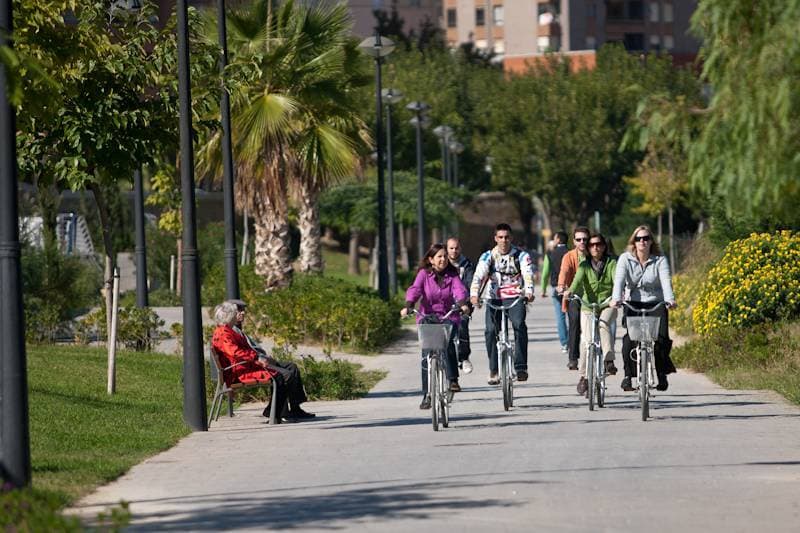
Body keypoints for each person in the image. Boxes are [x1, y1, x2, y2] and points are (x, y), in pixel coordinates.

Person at [211, 300, 315, 423]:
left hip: (246, 365)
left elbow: (243, 351)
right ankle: (275, 414)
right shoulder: (223, 333)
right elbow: (235, 352)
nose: (237, 315)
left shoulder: (228, 330)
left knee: (291, 367)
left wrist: (260, 357)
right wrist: (257, 358)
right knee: (284, 375)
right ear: (229, 316)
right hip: (241, 370)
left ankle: (292, 409)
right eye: (235, 313)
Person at [401, 243, 471, 409]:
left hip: (448, 316)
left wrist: (462, 304)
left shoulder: (452, 275)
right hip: (428, 317)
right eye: (439, 256)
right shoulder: (423, 274)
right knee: (426, 355)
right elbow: (415, 289)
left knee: (447, 346)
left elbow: (459, 290)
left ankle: (453, 379)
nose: (443, 259)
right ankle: (427, 394)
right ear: (431, 259)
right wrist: (409, 305)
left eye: (445, 256)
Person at [611, 225, 677, 392]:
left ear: (651, 241)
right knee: (630, 340)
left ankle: (661, 373)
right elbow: (619, 280)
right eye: (639, 239)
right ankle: (628, 376)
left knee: (662, 338)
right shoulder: (625, 259)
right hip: (633, 302)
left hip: (656, 302)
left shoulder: (659, 260)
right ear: (633, 242)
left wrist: (669, 300)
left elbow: (665, 281)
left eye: (646, 238)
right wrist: (616, 298)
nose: (642, 242)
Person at [470, 223, 535, 385]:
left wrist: (529, 292)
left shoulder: (521, 256)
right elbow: (478, 276)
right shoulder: (488, 256)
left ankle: (521, 367)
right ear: (495, 238)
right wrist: (474, 295)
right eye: (500, 237)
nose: (504, 240)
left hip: (516, 297)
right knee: (490, 331)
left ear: (511, 238)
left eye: (506, 237)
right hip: (494, 298)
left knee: (519, 325)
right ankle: (493, 369)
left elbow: (528, 274)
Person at [563, 233, 618, 396]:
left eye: (599, 244)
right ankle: (584, 377)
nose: (596, 247)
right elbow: (576, 282)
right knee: (587, 341)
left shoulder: (611, 263)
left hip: (608, 304)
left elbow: (617, 280)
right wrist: (569, 292)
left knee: (603, 324)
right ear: (588, 248)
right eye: (592, 245)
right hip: (588, 306)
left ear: (604, 246)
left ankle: (608, 360)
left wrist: (617, 296)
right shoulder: (584, 266)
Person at [558, 227, 590, 370]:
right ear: (574, 241)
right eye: (579, 239)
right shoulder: (569, 256)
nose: (582, 242)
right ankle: (573, 357)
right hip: (575, 295)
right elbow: (564, 272)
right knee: (575, 320)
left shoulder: (595, 253)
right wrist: (561, 286)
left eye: (585, 239)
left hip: (594, 297)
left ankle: (605, 356)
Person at [446, 237, 475, 374]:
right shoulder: (441, 263)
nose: (454, 251)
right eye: (451, 248)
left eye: (456, 248)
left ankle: (464, 358)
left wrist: (469, 299)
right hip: (444, 304)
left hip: (463, 303)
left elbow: (470, 283)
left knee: (462, 324)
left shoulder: (467, 264)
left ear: (460, 248)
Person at [540, 231, 570, 352]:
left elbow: (545, 271)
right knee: (573, 317)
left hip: (556, 287)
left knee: (560, 316)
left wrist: (543, 289)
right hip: (570, 287)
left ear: (558, 240)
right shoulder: (571, 253)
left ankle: (564, 343)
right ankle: (574, 341)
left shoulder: (550, 253)